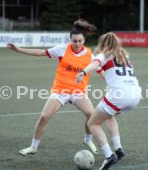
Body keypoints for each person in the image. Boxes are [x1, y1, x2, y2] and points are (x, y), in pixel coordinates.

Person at [7, 19, 102, 156]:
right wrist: (18, 49)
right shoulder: (62, 49)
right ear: (70, 39)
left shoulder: (90, 55)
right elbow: (40, 52)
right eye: (74, 41)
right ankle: (33, 147)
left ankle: (88, 140)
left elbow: (101, 69)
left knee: (91, 115)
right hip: (60, 91)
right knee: (44, 117)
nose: (77, 44)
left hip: (78, 92)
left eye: (80, 41)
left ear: (84, 39)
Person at [76, 32, 141, 170]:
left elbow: (95, 64)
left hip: (120, 95)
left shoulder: (104, 55)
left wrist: (83, 72)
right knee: (109, 115)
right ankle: (118, 149)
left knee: (92, 123)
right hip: (136, 95)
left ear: (103, 44)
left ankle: (108, 156)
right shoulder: (125, 57)